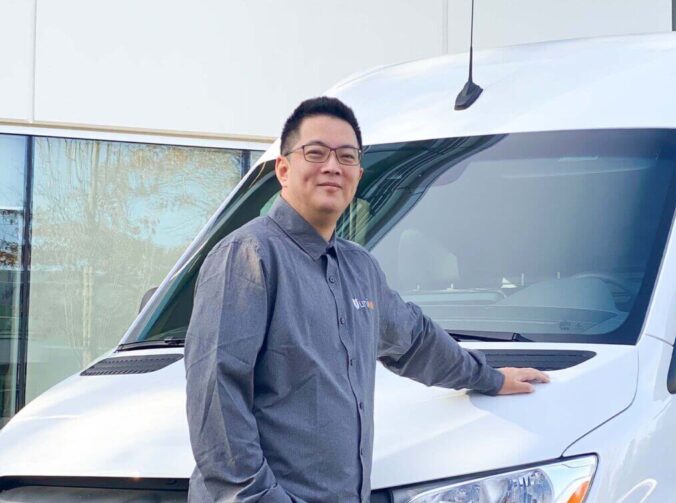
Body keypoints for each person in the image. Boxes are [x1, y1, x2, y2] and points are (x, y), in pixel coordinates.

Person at [184, 96, 550, 502]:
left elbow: (415, 341)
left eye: (346, 156)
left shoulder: (360, 269)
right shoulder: (248, 256)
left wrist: (490, 378)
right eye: (316, 153)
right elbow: (217, 402)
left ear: (358, 174)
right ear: (283, 170)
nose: (332, 167)